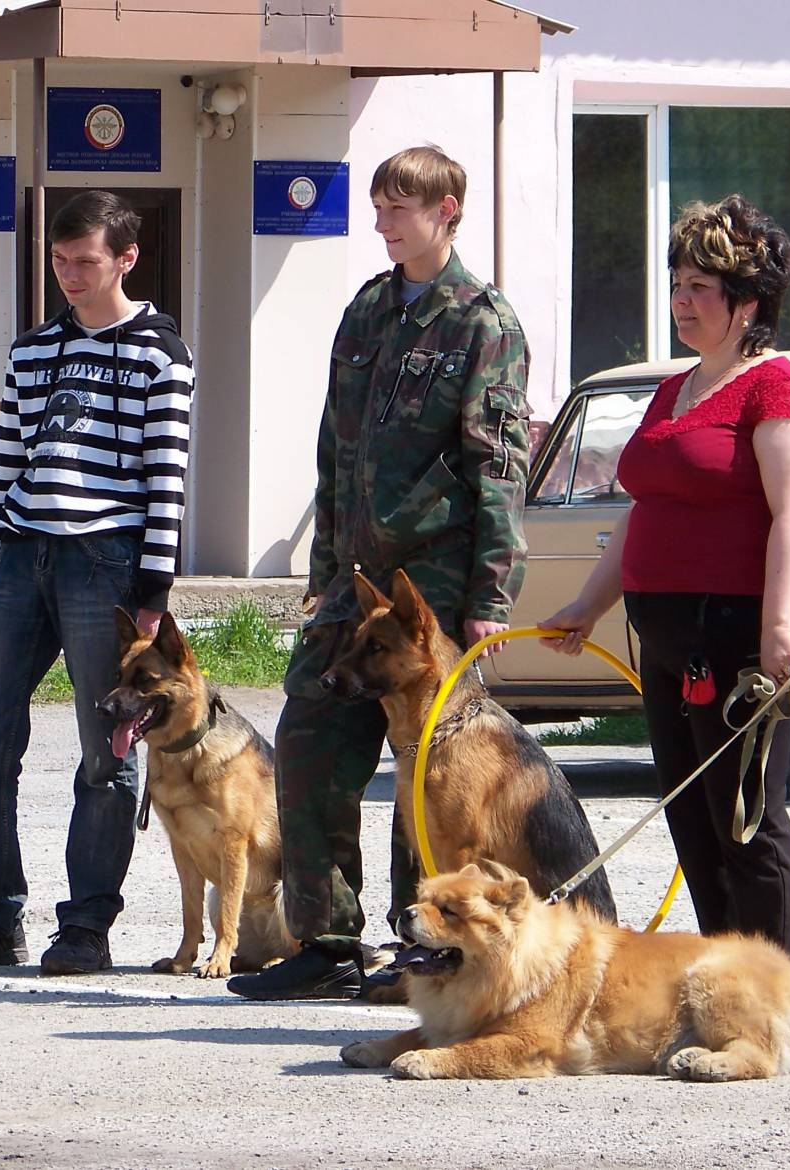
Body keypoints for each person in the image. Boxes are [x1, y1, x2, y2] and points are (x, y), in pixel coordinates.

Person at [227, 146, 531, 1000]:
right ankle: (326, 942)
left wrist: (490, 597)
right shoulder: (367, 310)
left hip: (433, 589)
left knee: (430, 778)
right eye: (379, 206)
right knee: (308, 743)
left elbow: (499, 466)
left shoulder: (484, 324)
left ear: (447, 212)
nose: (383, 222)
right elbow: (336, 451)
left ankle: (419, 950)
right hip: (355, 587)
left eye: (399, 207)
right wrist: (324, 572)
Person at [541, 194, 790, 962]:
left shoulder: (780, 389)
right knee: (693, 822)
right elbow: (646, 509)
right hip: (667, 641)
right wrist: (589, 604)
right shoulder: (677, 388)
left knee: (746, 823)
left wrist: (777, 628)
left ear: (748, 300)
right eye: (677, 284)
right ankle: (721, 982)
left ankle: (770, 994)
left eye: (701, 287)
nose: (681, 300)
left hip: (739, 639)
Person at [0, 190, 195, 976]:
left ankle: (85, 928)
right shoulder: (32, 351)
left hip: (106, 564)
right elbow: (7, 467)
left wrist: (151, 599)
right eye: (59, 260)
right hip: (20, 561)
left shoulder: (161, 355)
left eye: (86, 261)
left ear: (126, 259)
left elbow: (166, 481)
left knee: (106, 752)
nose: (70, 275)